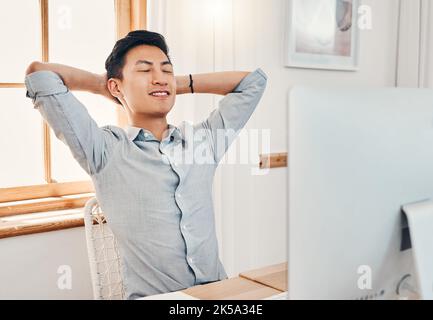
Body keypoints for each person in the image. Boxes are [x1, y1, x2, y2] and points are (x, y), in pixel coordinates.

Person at [25, 30, 267, 299]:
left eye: (166, 70)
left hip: (220, 294)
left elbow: (252, 82)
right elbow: (40, 75)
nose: (159, 77)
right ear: (116, 86)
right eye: (144, 70)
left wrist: (174, 84)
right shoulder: (104, 149)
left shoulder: (202, 143)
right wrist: (105, 86)